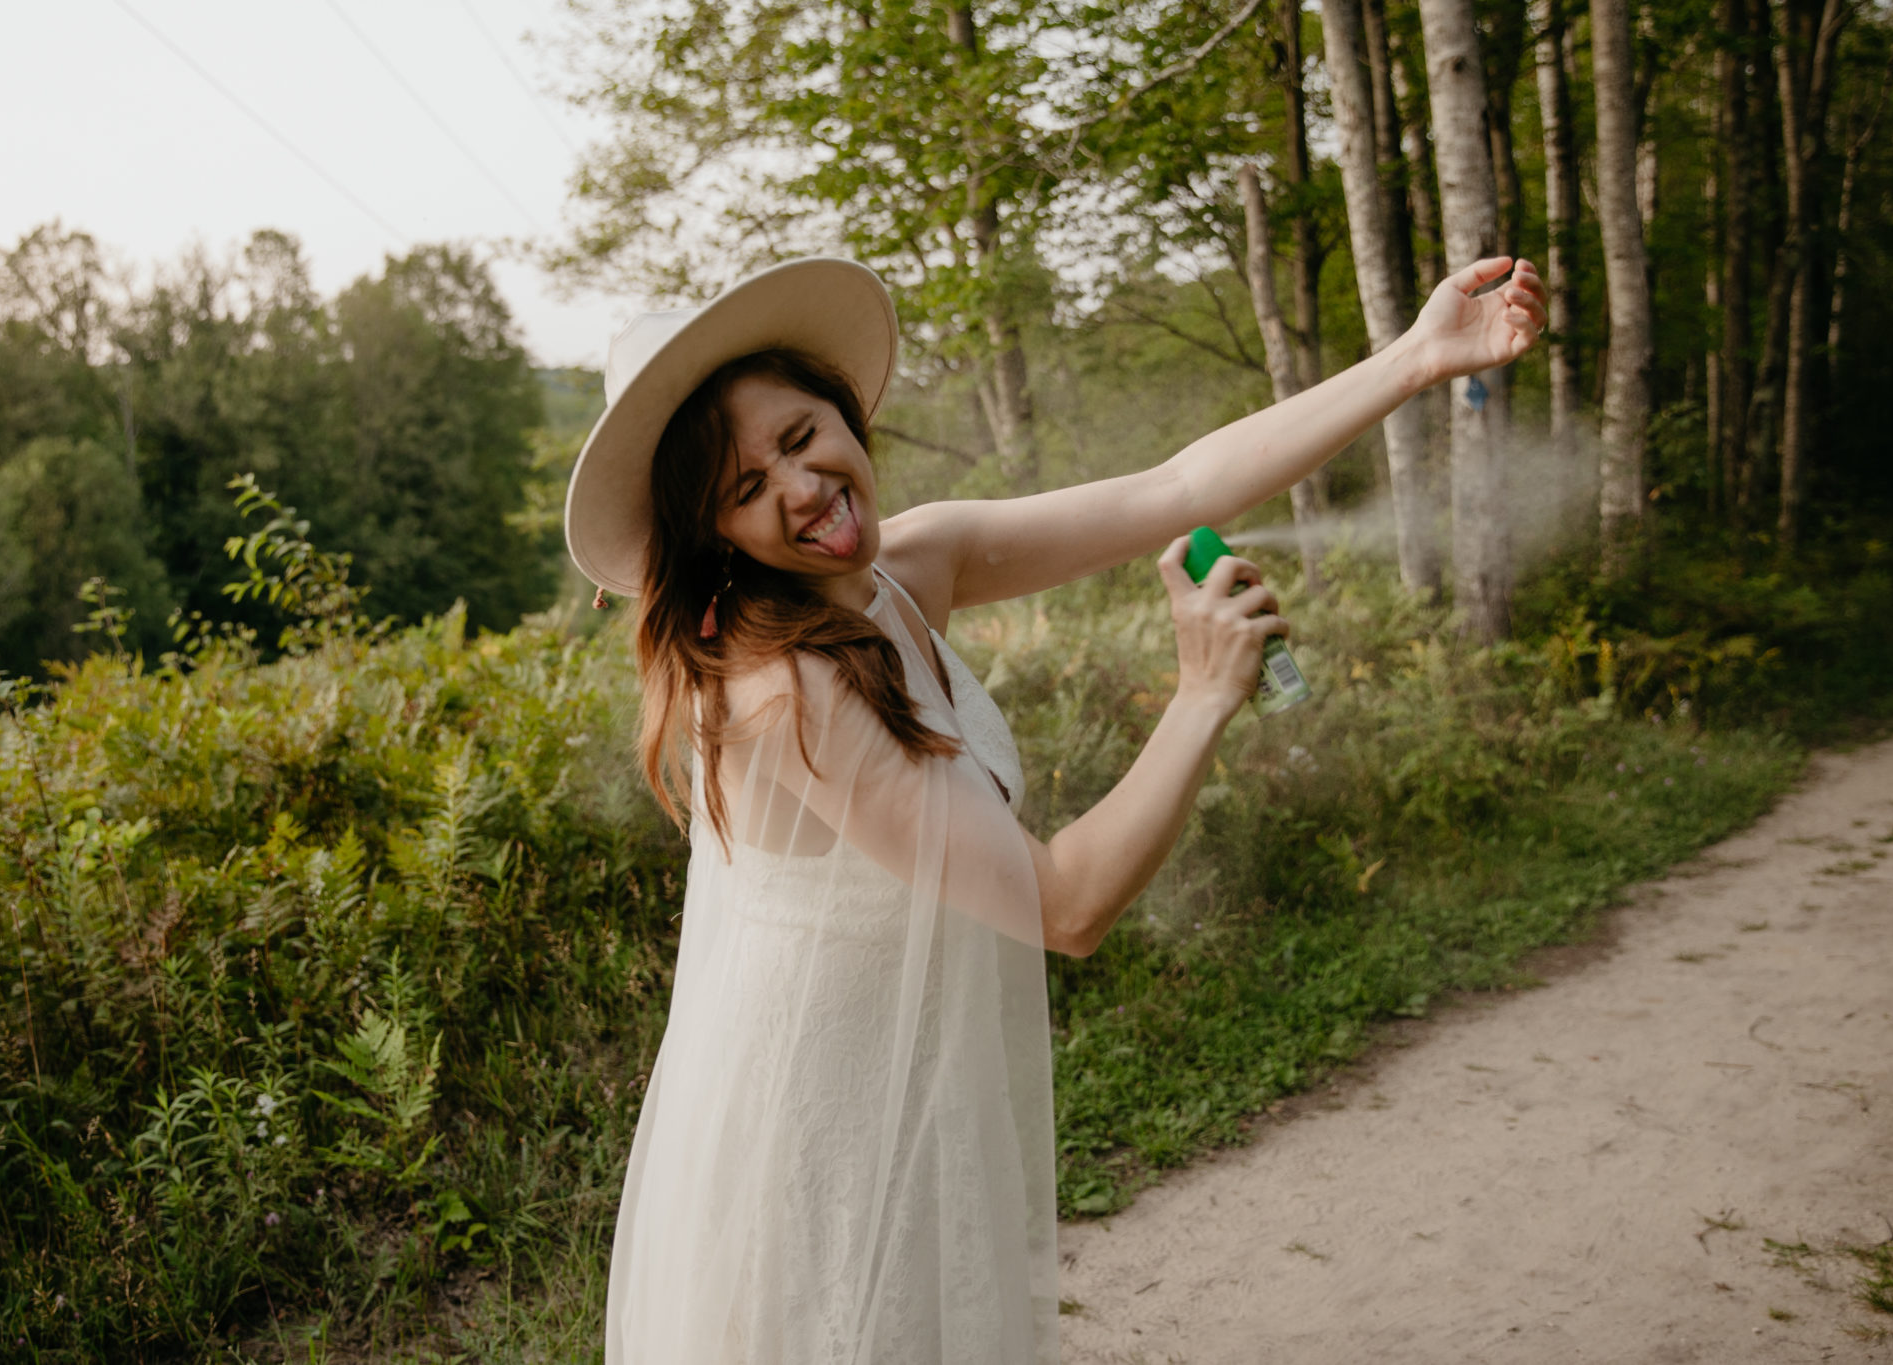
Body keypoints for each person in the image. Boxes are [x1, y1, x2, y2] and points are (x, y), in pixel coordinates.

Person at [564, 255, 1547, 1362]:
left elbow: (1177, 491)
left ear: (841, 413)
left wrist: (1417, 358)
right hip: (815, 1142)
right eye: (744, 489)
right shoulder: (781, 689)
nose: (800, 488)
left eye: (799, 438)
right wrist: (1202, 693)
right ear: (716, 536)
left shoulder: (907, 568)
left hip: (908, 1103)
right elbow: (1062, 905)